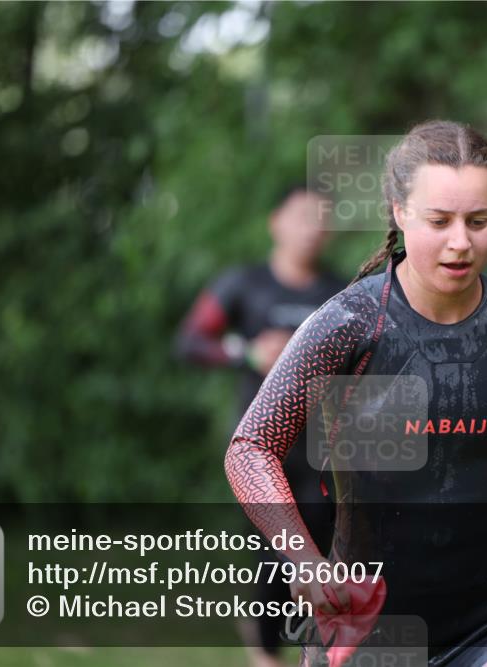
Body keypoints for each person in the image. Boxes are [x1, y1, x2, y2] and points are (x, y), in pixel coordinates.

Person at [224, 120, 487, 666]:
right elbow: (251, 447)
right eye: (439, 221)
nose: (460, 241)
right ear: (399, 211)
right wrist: (303, 558)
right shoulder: (349, 323)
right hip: (364, 623)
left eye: (479, 220)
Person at [176, 185, 343, 667]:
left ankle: (311, 649)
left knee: (318, 546)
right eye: (302, 216)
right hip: (261, 450)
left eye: (321, 218)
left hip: (321, 450)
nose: (311, 227)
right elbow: (189, 341)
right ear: (277, 223)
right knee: (276, 552)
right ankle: (265, 652)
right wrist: (246, 351)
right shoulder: (244, 284)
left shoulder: (336, 292)